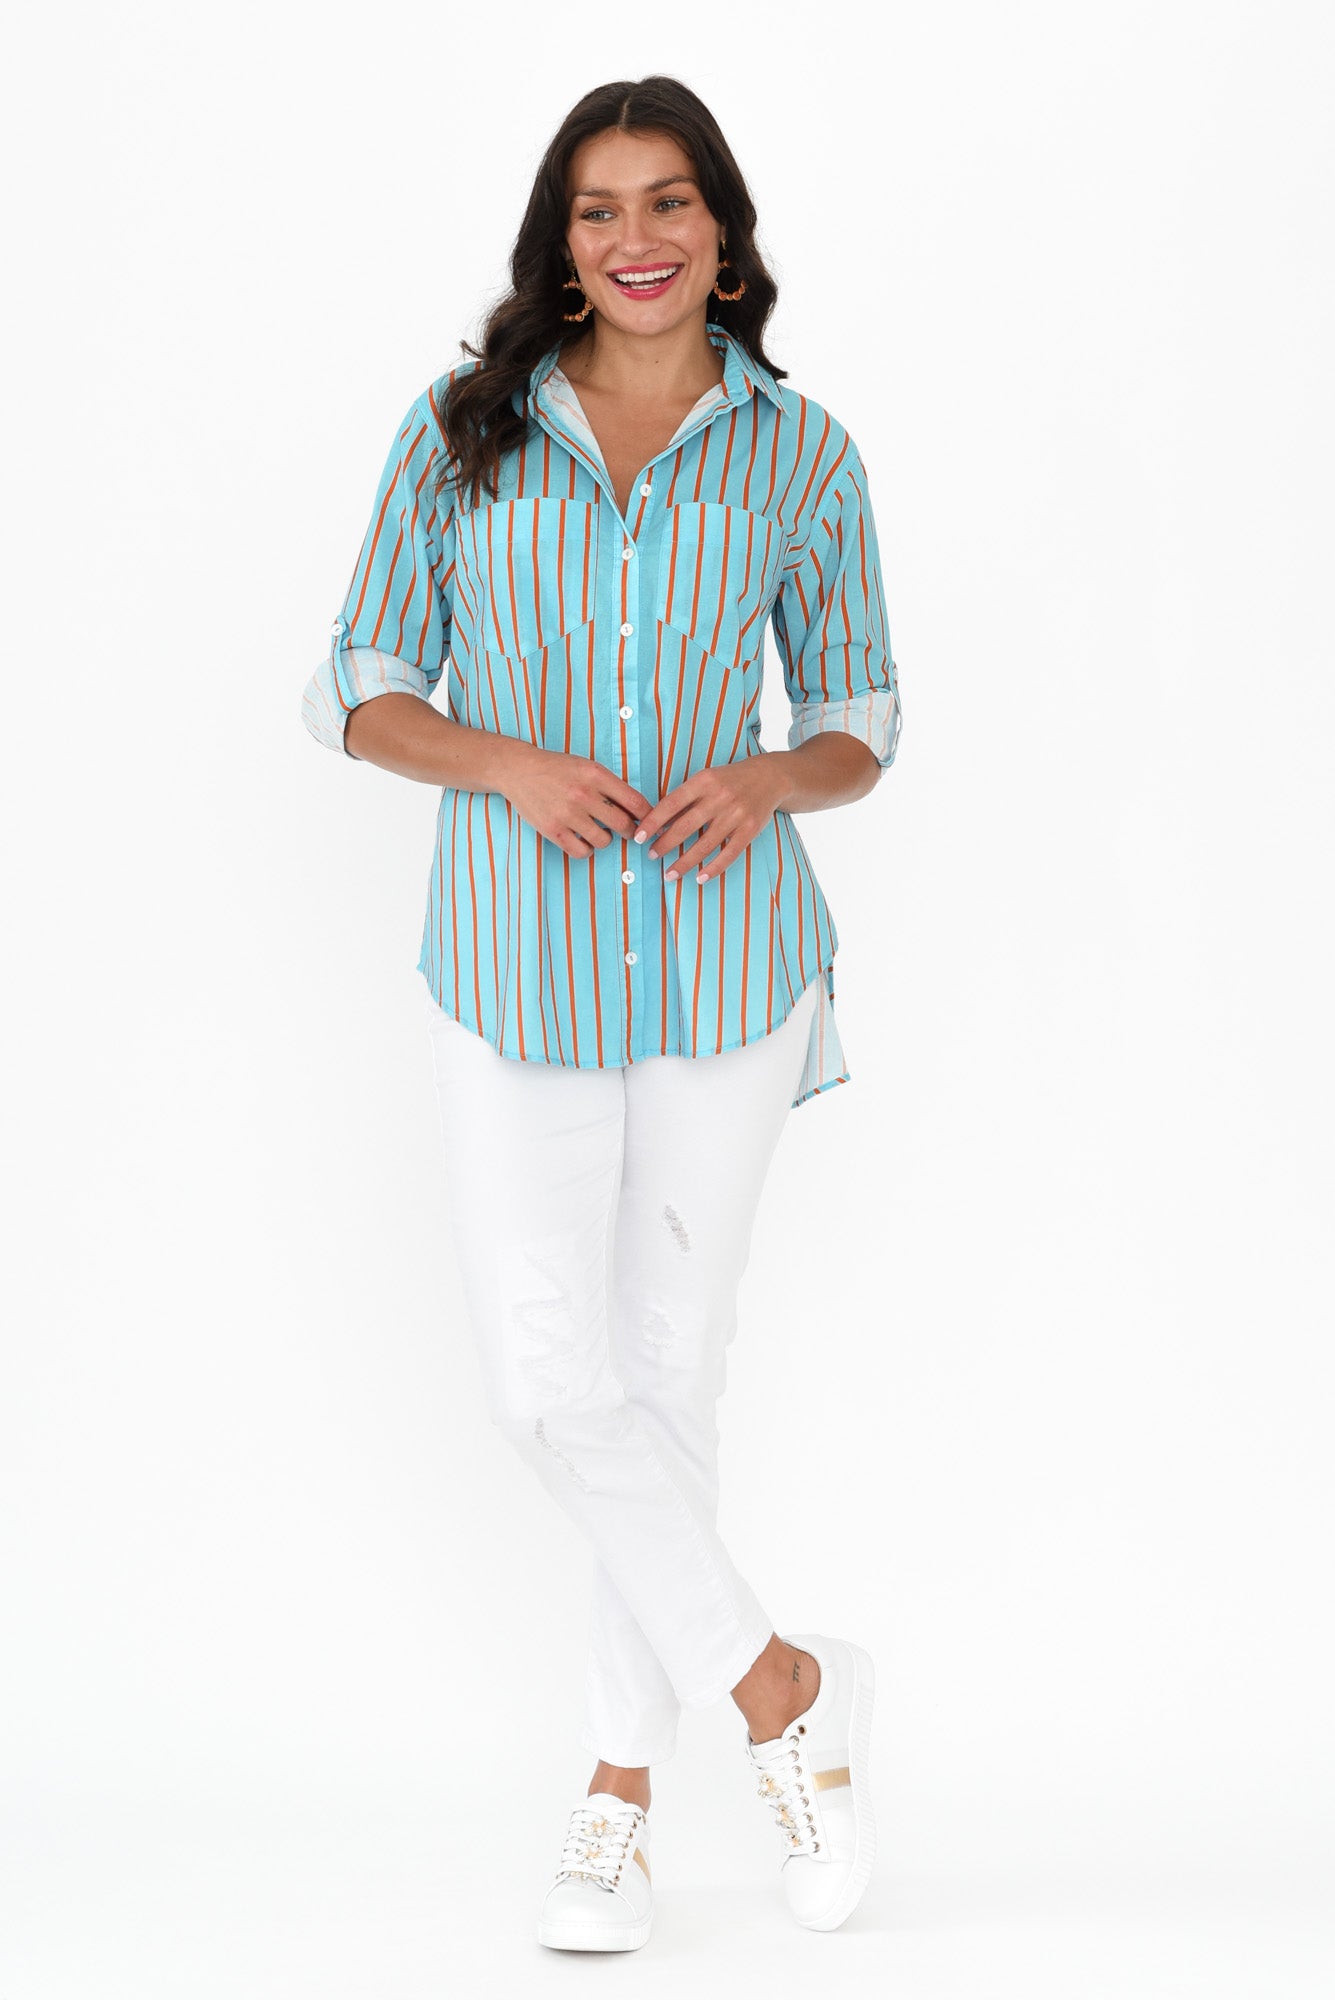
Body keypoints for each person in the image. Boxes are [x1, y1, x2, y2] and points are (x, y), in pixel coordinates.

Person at [300, 73, 903, 1952]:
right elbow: (354, 686)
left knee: (665, 1371)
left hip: (727, 967)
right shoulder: (462, 435)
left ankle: (619, 1795)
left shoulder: (802, 456)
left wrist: (771, 780)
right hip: (516, 960)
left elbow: (863, 718)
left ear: (723, 234)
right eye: (597, 209)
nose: (635, 238)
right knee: (546, 1382)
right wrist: (507, 763)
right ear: (561, 247)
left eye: (668, 203)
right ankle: (782, 1688)